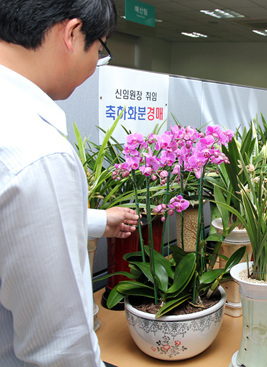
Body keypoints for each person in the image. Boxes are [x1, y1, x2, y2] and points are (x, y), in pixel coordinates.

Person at [0, 1, 117, 366]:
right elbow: (61, 350)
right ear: (71, 34)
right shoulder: (40, 153)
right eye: (99, 50)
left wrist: (99, 220)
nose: (95, 66)